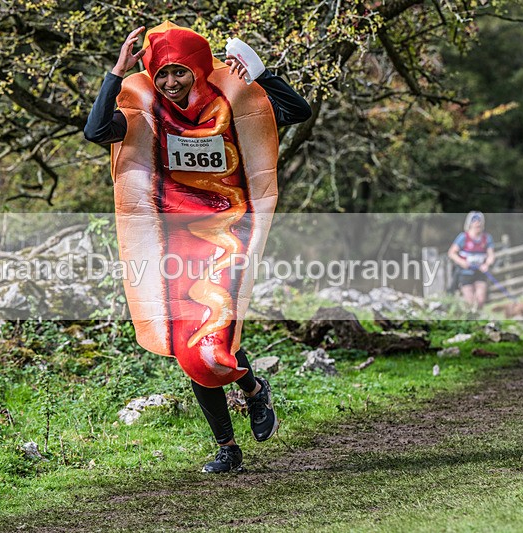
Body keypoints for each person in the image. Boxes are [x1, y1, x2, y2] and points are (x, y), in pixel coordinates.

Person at [84, 22, 311, 473]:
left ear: (198, 69)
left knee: (214, 331)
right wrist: (117, 72)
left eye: (180, 72)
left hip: (229, 231)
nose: (171, 83)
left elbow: (296, 111)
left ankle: (248, 399)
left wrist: (260, 74)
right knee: (192, 344)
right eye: (162, 74)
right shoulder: (145, 112)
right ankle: (234, 432)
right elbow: (96, 131)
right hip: (175, 240)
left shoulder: (233, 102)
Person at [447, 211, 495, 311]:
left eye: (480, 221)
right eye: (475, 221)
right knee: (470, 301)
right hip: (465, 272)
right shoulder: (463, 237)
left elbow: (491, 255)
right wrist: (462, 262)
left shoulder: (487, 238)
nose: (478, 223)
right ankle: (471, 316)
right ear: (470, 223)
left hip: (480, 272)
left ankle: (480, 316)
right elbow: (451, 253)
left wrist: (487, 264)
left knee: (480, 299)